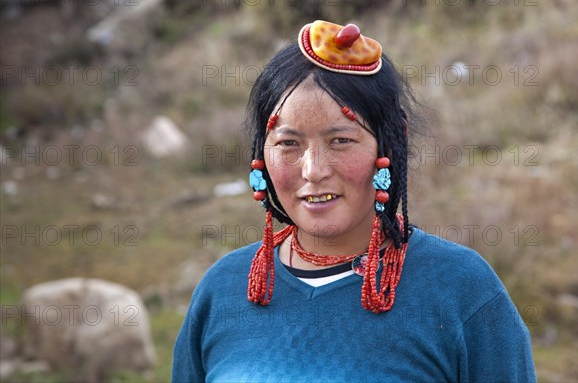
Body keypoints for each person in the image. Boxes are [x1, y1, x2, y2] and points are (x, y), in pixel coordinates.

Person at [172, 20, 536, 382]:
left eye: (340, 140)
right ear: (261, 154)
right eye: (288, 143)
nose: (313, 171)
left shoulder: (462, 291)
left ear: (392, 142)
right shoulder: (223, 289)